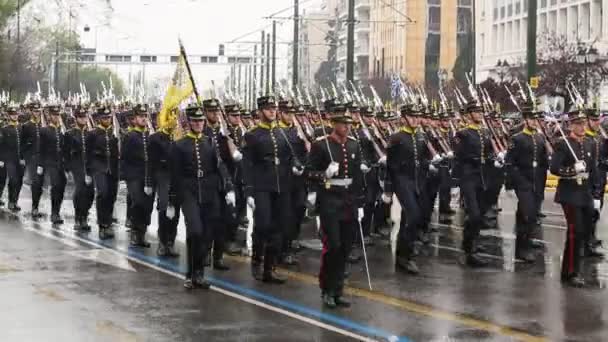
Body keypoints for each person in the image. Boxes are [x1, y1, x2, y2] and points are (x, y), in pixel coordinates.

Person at [169, 104, 235, 289]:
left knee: (207, 234)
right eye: (195, 121)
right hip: (188, 192)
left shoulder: (210, 142)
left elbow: (220, 167)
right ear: (188, 123)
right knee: (195, 231)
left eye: (200, 121)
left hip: (209, 192)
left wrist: (228, 188)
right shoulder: (179, 145)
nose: (198, 124)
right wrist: (172, 201)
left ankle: (199, 273)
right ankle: (190, 274)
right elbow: (175, 175)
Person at [305, 102, 362, 308]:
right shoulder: (321, 145)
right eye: (342, 123)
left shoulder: (355, 144)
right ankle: (327, 289)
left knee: (346, 247)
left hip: (348, 201)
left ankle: (338, 290)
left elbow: (357, 176)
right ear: (333, 124)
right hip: (330, 200)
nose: (346, 127)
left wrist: (361, 203)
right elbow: (308, 172)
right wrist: (324, 174)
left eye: (348, 124)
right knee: (333, 246)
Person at [243, 95, 292, 283]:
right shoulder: (252, 135)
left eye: (274, 108)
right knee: (263, 225)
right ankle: (257, 259)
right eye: (268, 108)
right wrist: (249, 191)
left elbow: (289, 156)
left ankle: (270, 268)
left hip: (281, 186)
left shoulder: (282, 133)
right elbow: (247, 165)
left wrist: (295, 166)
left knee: (279, 227)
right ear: (261, 110)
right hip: (262, 186)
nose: (272, 111)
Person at [550, 109, 601, 287]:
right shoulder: (563, 144)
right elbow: (554, 168)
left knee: (585, 232)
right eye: (577, 124)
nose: (581, 127)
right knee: (575, 231)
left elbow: (594, 170)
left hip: (585, 193)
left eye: (583, 123)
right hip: (569, 194)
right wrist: (572, 170)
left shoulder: (590, 143)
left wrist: (596, 194)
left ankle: (568, 269)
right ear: (571, 125)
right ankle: (572, 272)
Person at [384, 104, 433, 274]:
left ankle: (403, 253)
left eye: (417, 116)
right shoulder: (396, 138)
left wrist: (428, 167)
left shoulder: (421, 136)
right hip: (402, 181)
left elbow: (425, 158)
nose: (415, 119)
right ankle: (406, 256)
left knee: (411, 218)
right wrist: (388, 189)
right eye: (411, 116)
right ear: (404, 118)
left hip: (418, 181)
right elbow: (390, 166)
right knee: (413, 215)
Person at [505, 104, 549, 263]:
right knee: (525, 213)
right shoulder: (517, 138)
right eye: (530, 118)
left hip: (537, 181)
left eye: (535, 118)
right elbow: (509, 162)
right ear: (525, 120)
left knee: (532, 215)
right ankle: (520, 249)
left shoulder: (540, 137)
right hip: (523, 181)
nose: (533, 121)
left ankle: (528, 241)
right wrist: (510, 184)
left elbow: (543, 161)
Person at [454, 101, 495, 267]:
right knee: (475, 214)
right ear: (469, 114)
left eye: (480, 111)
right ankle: (470, 251)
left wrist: (493, 158)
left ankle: (471, 241)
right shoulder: (463, 134)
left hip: (482, 177)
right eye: (476, 112)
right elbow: (458, 155)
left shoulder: (485, 132)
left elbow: (489, 151)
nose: (480, 114)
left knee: (480, 213)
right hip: (468, 177)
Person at [121, 104, 155, 248]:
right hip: (134, 175)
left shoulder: (150, 135)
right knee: (138, 202)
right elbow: (124, 157)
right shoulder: (129, 136)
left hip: (148, 176)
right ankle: (135, 232)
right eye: (141, 117)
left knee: (147, 204)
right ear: (134, 119)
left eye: (145, 116)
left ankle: (142, 232)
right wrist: (124, 176)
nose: (144, 119)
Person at [87, 106, 120, 240]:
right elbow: (88, 154)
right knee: (103, 193)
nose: (107, 120)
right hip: (98, 167)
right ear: (99, 119)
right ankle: (102, 225)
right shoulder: (93, 134)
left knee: (112, 195)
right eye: (104, 118)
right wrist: (88, 172)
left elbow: (117, 153)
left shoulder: (113, 133)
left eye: (108, 117)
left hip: (112, 169)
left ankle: (108, 222)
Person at [150, 110, 180, 257]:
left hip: (178, 176)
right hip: (163, 175)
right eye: (169, 118)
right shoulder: (155, 138)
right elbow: (151, 163)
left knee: (175, 209)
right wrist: (149, 182)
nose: (172, 121)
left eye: (174, 118)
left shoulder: (180, 136)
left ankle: (171, 241)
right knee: (164, 206)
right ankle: (162, 241)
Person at [64, 105, 95, 231]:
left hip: (89, 167)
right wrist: (67, 170)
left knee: (90, 193)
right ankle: (78, 218)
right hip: (76, 166)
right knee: (80, 191)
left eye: (85, 117)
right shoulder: (70, 134)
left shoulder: (90, 133)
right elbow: (65, 153)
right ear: (76, 118)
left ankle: (85, 215)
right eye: (81, 117)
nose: (84, 119)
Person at [40, 104, 67, 224]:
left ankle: (57, 210)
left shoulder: (61, 130)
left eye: (57, 115)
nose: (56, 117)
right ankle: (54, 213)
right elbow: (40, 148)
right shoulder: (45, 131)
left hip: (60, 163)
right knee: (55, 185)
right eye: (54, 115)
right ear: (49, 116)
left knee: (62, 186)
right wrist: (41, 165)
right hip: (50, 162)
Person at [21, 102, 45, 218]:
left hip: (43, 159)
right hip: (32, 159)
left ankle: (36, 204)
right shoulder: (26, 126)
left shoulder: (43, 125)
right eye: (35, 111)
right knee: (36, 182)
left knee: (40, 184)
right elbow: (22, 144)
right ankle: (34, 208)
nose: (37, 113)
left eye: (38, 111)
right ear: (31, 112)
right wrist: (25, 158)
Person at [1, 104, 25, 212]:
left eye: (16, 114)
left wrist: (23, 157)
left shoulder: (20, 127)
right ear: (9, 115)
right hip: (8, 159)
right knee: (13, 180)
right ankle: (11, 202)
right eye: (12, 115)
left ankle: (15, 201)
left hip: (19, 159)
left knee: (19, 181)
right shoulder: (4, 129)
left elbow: (24, 144)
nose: (15, 116)